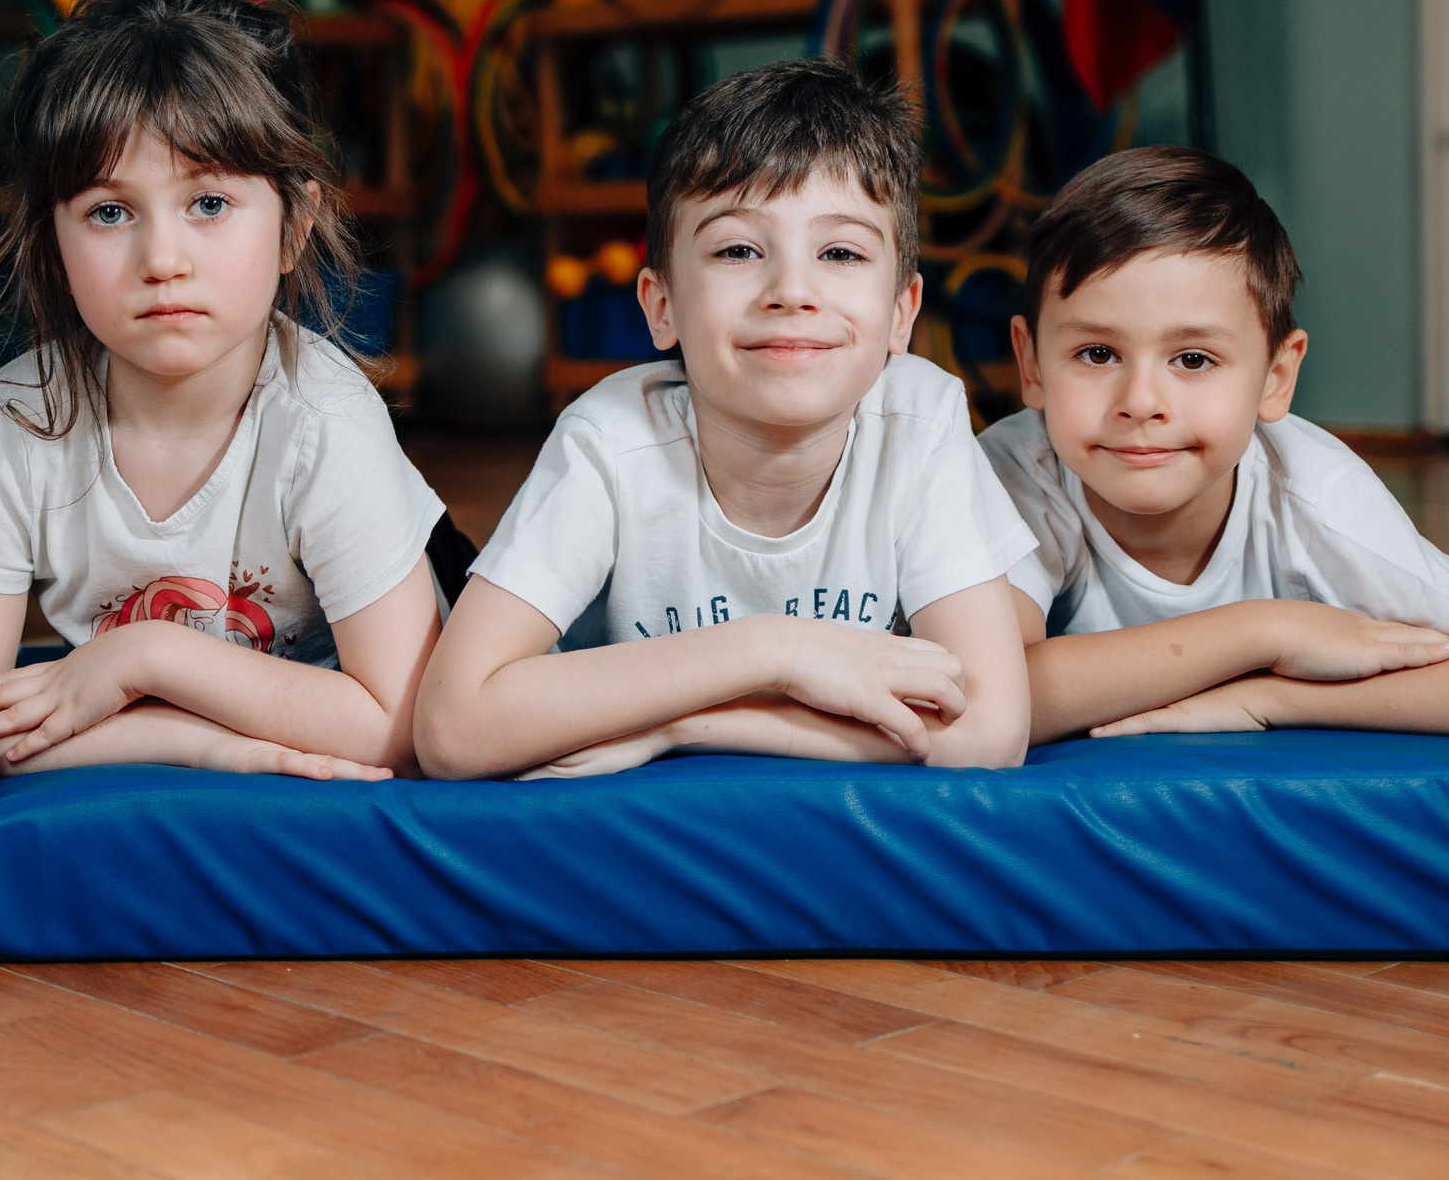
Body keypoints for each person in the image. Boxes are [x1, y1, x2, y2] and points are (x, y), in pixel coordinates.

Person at [415, 58, 1036, 781]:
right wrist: (770, 650)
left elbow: (990, 734)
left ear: (902, 313)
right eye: (738, 249)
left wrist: (694, 721)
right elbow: (452, 727)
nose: (792, 290)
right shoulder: (611, 440)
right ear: (660, 305)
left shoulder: (920, 420)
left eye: (840, 251)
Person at [0, 0, 447, 779]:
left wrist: (144, 657)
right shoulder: (14, 422)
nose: (162, 261)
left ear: (293, 229)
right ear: (52, 243)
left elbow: (402, 724)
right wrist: (204, 743)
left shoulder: (325, 419)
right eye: (110, 212)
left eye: (208, 203)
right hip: (250, 754)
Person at [986, 145, 1449, 742]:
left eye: (1193, 359)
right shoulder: (1015, 473)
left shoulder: (1319, 497)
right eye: (1097, 353)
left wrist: (1268, 697)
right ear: (1032, 364)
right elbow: (981, 702)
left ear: (1276, 379)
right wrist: (1265, 632)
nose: (1141, 401)